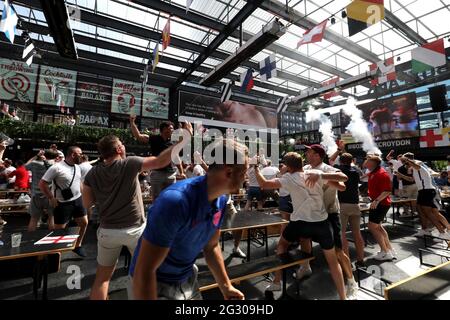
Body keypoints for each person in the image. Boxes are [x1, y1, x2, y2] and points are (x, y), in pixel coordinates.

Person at [128, 139, 248, 300]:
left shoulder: (220, 200)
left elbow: (211, 246)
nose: (246, 178)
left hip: (188, 278)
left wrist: (226, 286)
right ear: (229, 173)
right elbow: (145, 271)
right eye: (244, 172)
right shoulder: (175, 202)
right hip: (155, 285)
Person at [83, 125, 192, 300]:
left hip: (107, 232)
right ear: (119, 149)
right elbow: (160, 161)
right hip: (135, 231)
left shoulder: (92, 174)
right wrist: (183, 140)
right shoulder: (130, 163)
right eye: (122, 145)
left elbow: (88, 203)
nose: (124, 147)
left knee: (102, 279)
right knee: (142, 275)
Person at [254, 152, 349, 299]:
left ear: (288, 166)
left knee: (282, 245)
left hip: (299, 222)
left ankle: (277, 281)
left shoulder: (288, 178)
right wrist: (323, 176)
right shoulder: (314, 173)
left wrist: (255, 168)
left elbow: (264, 184)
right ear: (301, 162)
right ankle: (342, 297)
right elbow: (342, 185)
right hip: (321, 223)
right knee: (332, 261)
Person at [302, 145, 358, 299]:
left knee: (338, 252)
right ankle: (305, 266)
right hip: (311, 214)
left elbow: (343, 183)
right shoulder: (305, 167)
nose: (306, 154)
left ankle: (351, 281)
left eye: (309, 152)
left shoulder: (327, 168)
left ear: (318, 155)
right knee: (304, 238)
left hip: (329, 214)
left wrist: (320, 176)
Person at [39, 146, 88, 257]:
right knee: (59, 230)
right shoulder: (56, 168)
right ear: (73, 154)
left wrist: (83, 195)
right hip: (63, 203)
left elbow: (78, 182)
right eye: (80, 153)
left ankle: (77, 245)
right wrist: (51, 198)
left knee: (84, 223)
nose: (82, 155)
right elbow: (42, 184)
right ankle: (55, 251)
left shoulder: (77, 167)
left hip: (78, 200)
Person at [129, 115, 185, 200]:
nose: (173, 130)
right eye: (171, 128)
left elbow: (176, 157)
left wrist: (181, 172)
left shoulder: (172, 142)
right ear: (164, 129)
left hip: (171, 175)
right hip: (157, 174)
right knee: (156, 199)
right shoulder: (154, 138)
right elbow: (138, 136)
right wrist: (132, 122)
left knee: (171, 199)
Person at [402, 154, 450, 240]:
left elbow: (417, 165)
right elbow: (412, 180)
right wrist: (400, 174)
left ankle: (442, 232)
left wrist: (407, 160)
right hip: (423, 191)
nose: (405, 165)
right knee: (421, 210)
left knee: (429, 212)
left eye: (405, 162)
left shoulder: (418, 164)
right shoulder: (415, 169)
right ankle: (425, 229)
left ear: (409, 161)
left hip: (427, 191)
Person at [335, 153, 365, 268]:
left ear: (341, 161)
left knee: (342, 234)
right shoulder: (356, 171)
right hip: (355, 204)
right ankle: (361, 260)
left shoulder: (338, 169)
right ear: (352, 160)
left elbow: (331, 161)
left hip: (342, 205)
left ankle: (347, 264)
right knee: (357, 233)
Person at [365, 155, 396, 261]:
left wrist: (376, 201)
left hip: (380, 203)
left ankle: (385, 251)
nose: (365, 162)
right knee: (378, 227)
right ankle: (389, 250)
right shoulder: (373, 172)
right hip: (378, 203)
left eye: (367, 160)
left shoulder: (381, 173)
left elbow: (387, 190)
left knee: (372, 227)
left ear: (372, 163)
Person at [25, 149, 58, 231]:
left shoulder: (35, 164)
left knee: (34, 219)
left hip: (36, 195)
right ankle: (51, 239)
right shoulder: (56, 165)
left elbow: (25, 166)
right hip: (50, 195)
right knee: (51, 217)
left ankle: (31, 238)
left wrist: (36, 156)